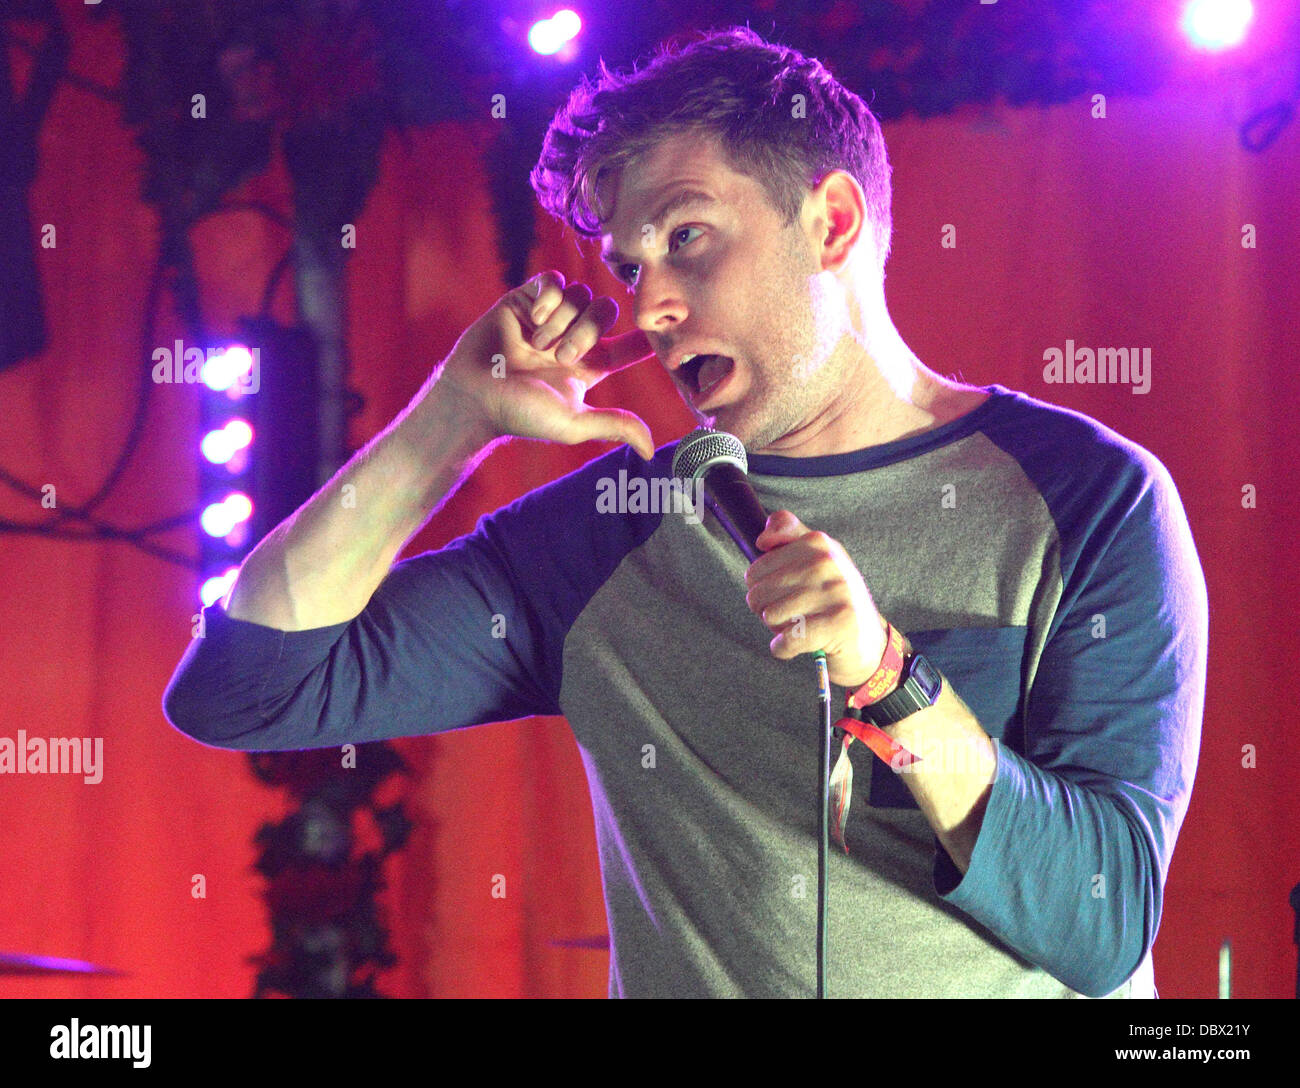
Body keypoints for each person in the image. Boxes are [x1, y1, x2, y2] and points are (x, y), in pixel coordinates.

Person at [163, 26, 1208, 998]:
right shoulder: (608, 532)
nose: (649, 304)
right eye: (627, 266)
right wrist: (453, 417)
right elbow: (243, 691)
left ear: (831, 221)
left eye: (688, 236)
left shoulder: (1091, 498)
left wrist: (890, 679)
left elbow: (1101, 915)